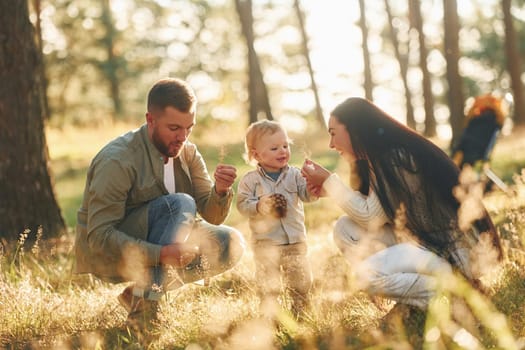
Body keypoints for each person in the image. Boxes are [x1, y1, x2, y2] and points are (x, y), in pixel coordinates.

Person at [301, 97, 503, 311]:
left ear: (354, 128)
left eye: (333, 133)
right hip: (427, 248)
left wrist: (329, 182)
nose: (331, 144)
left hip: (455, 257)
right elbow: (376, 216)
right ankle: (413, 301)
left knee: (365, 276)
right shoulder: (377, 158)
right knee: (344, 228)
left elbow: (371, 216)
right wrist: (328, 190)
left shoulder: (396, 157)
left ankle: (454, 291)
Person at [75, 77, 246, 329]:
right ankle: (145, 315)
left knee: (230, 243)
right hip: (115, 255)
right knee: (179, 204)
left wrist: (220, 191)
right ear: (150, 119)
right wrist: (162, 254)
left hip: (163, 247)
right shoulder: (117, 160)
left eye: (189, 128)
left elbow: (213, 216)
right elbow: (99, 237)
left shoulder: (187, 152)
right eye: (174, 128)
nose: (183, 137)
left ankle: (139, 294)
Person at [236, 120, 317, 317]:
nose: (282, 151)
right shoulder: (250, 181)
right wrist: (258, 205)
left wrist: (313, 185)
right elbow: (241, 205)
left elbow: (308, 196)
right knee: (268, 283)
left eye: (285, 145)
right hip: (266, 243)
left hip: (294, 240)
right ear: (256, 154)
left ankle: (302, 313)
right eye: (274, 148)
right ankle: (269, 315)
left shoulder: (296, 175)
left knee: (300, 281)